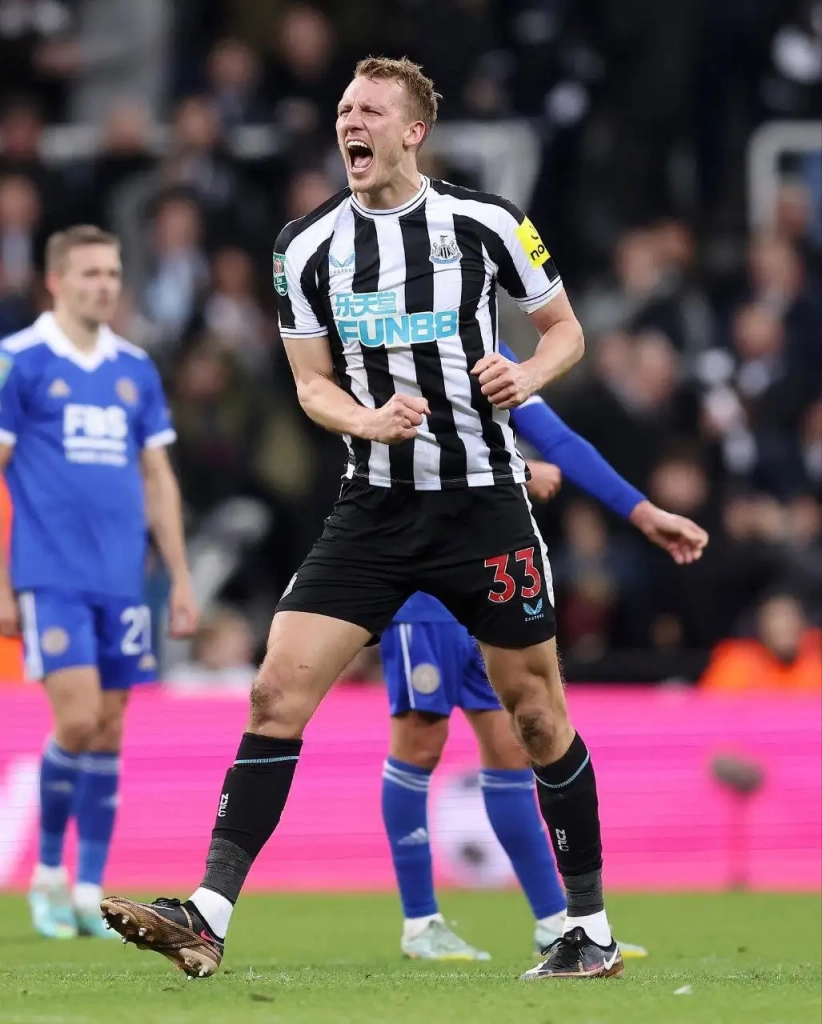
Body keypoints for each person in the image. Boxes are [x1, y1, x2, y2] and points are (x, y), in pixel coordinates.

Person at [102, 56, 708, 981]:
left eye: (370, 109)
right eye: (344, 108)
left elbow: (567, 332)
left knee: (537, 716)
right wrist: (367, 419)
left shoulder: (488, 223)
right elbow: (310, 384)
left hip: (482, 507)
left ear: (412, 129)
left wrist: (529, 375)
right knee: (274, 694)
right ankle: (209, 913)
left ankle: (585, 927)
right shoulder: (302, 246)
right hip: (374, 509)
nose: (351, 121)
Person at [382, 344, 706, 961]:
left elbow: (560, 441)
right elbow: (398, 453)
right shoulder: (396, 344)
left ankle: (555, 919)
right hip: (416, 570)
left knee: (510, 746)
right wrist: (518, 470)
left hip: (486, 577)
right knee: (421, 740)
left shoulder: (489, 354)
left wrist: (642, 512)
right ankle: (421, 923)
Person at [0, 225, 198, 939]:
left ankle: (90, 890)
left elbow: (157, 477)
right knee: (78, 721)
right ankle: (49, 875)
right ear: (55, 281)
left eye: (112, 273)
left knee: (111, 730)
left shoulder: (135, 368)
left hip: (122, 579)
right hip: (50, 574)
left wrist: (177, 575)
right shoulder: (18, 362)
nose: (104, 285)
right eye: (89, 274)